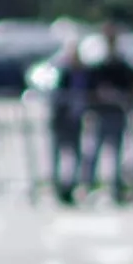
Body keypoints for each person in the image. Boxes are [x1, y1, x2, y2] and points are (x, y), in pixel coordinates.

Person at [81, 22, 133, 202]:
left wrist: (125, 98)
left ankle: (117, 188)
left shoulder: (122, 63)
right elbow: (90, 86)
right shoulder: (98, 62)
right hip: (101, 113)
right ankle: (89, 185)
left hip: (117, 113)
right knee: (94, 151)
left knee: (117, 153)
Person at [49, 40, 89, 203]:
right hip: (62, 122)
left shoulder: (84, 73)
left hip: (76, 122)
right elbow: (57, 96)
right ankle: (59, 186)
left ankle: (72, 186)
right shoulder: (62, 73)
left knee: (76, 156)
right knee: (59, 155)